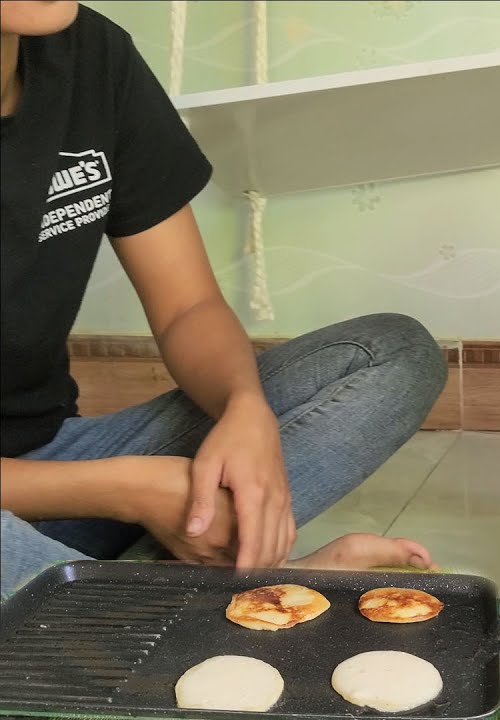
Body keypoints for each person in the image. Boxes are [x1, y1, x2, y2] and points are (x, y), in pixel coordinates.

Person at [1, 1, 446, 601]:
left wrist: (244, 408)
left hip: (55, 457)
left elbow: (188, 306)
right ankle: (208, 603)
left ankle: (127, 607)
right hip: (78, 489)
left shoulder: (94, 54)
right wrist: (127, 490)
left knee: (395, 352)